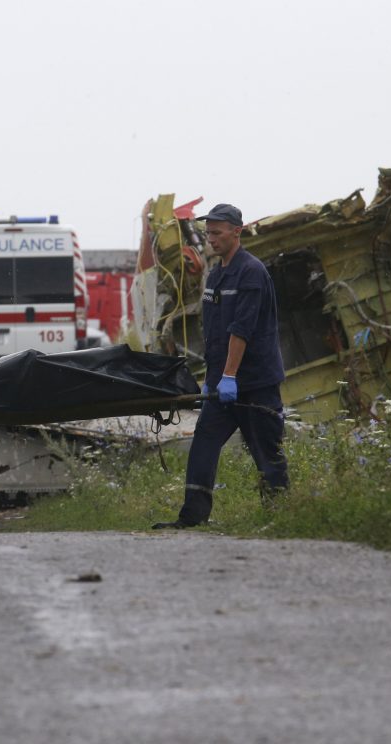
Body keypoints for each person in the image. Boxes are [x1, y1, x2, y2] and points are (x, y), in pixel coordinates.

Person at [153, 204, 289, 529]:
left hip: (254, 385)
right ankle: (192, 518)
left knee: (266, 455)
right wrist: (213, 380)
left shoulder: (251, 273)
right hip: (222, 386)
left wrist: (229, 376)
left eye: (217, 232)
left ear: (236, 232)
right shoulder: (216, 276)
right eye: (208, 233)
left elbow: (241, 330)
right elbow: (213, 331)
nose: (210, 239)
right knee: (204, 446)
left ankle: (282, 518)